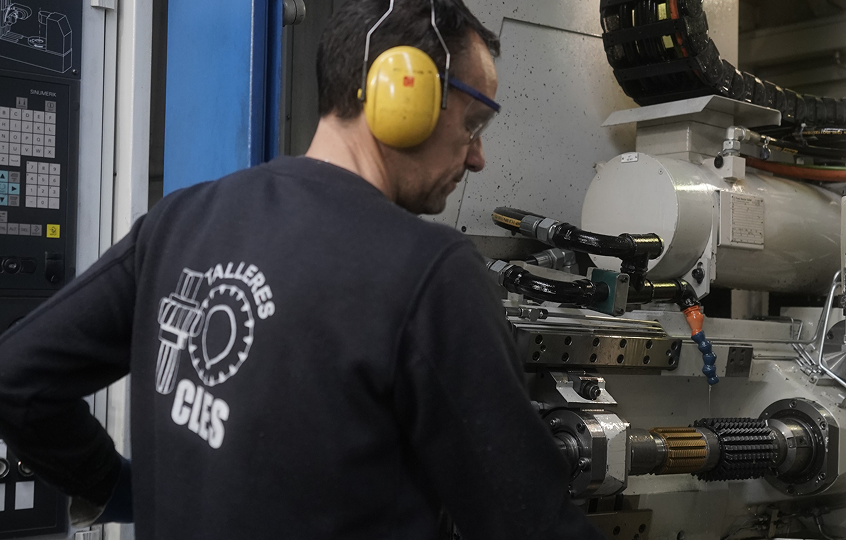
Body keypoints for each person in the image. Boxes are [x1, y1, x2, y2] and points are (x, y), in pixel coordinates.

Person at [0, 0, 607, 538]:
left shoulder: (179, 220)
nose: (478, 158)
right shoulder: (430, 275)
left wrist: (120, 491)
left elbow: (17, 378)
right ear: (405, 95)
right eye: (472, 124)